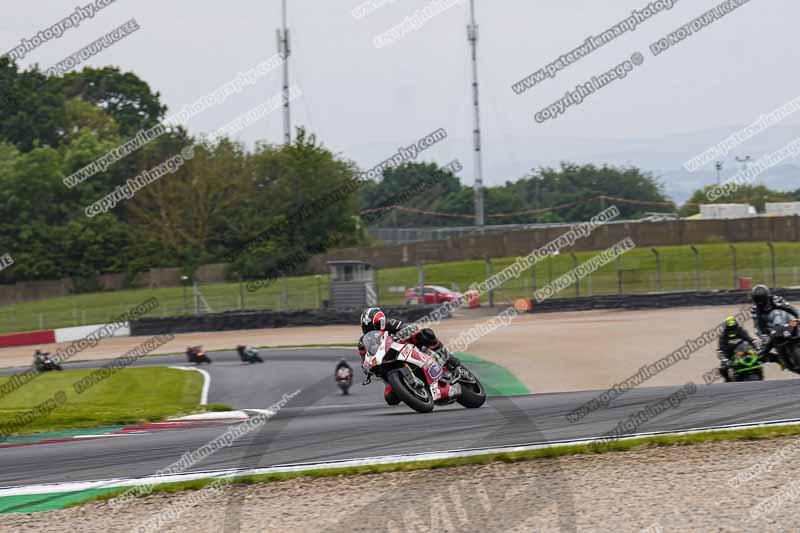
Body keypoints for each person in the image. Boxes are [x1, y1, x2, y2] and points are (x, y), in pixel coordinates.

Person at [357, 307, 460, 406]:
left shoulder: (390, 323)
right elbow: (364, 360)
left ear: (382, 322)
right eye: (366, 326)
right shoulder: (363, 342)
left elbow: (407, 327)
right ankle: (412, 390)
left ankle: (447, 357)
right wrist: (366, 368)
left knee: (425, 334)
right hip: (385, 364)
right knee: (390, 399)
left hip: (403, 348)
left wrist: (402, 334)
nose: (370, 329)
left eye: (372, 325)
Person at [750, 285, 799, 362]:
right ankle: (778, 359)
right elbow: (758, 325)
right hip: (772, 330)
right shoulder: (754, 309)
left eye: (761, 298)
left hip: (788, 323)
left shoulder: (776, 299)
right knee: (761, 354)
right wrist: (763, 336)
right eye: (757, 299)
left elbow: (790, 308)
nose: (760, 301)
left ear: (767, 296)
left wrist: (798, 316)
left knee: (779, 314)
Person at [716, 316, 757, 381]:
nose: (732, 330)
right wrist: (724, 359)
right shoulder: (723, 336)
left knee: (758, 358)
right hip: (730, 355)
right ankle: (728, 380)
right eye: (730, 328)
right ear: (726, 327)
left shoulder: (741, 331)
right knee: (723, 367)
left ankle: (757, 370)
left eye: (733, 327)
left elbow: (750, 340)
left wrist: (756, 347)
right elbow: (720, 350)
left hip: (743, 351)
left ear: (736, 326)